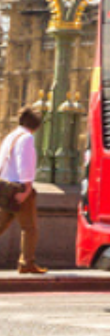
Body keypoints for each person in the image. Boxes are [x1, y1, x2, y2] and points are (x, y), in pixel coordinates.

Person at [0, 108, 46, 275]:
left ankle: (27, 262)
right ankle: (26, 263)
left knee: (1, 224)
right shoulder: (26, 138)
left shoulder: (11, 136)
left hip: (5, 186)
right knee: (29, 228)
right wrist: (26, 189)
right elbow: (24, 164)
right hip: (18, 188)